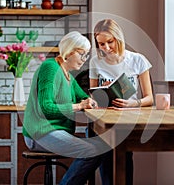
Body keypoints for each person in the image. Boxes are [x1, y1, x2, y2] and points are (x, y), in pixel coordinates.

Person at [22, 31, 111, 185]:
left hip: (57, 132)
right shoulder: (50, 68)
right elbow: (45, 107)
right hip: (40, 133)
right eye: (82, 54)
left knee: (106, 146)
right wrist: (79, 106)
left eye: (86, 55)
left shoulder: (68, 75)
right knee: (92, 151)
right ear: (69, 52)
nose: (84, 59)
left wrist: (96, 96)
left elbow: (83, 97)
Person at [89, 19, 154, 184]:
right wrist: (100, 96)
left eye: (110, 42)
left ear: (119, 38)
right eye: (101, 44)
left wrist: (133, 103)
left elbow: (149, 98)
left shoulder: (137, 60)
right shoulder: (96, 62)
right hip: (104, 119)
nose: (106, 48)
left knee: (124, 161)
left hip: (128, 119)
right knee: (106, 160)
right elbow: (92, 96)